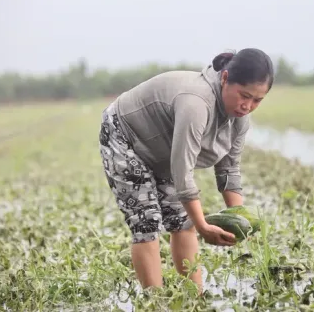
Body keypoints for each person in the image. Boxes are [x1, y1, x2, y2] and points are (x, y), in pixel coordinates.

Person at [98, 48, 274, 292]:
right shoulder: (196, 103)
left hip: (161, 148)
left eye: (257, 100)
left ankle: (195, 299)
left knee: (183, 222)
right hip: (124, 135)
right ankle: (156, 304)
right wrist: (203, 226)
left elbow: (229, 169)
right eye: (244, 95)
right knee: (147, 222)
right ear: (224, 79)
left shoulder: (239, 118)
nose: (248, 106)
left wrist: (240, 219)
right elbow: (182, 173)